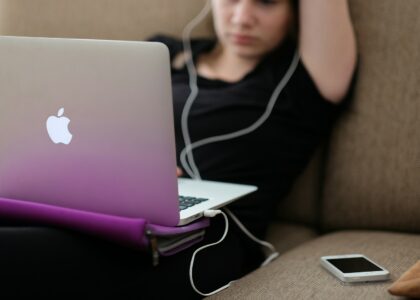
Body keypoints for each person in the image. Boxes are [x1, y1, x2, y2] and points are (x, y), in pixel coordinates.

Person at [0, 0, 357, 299]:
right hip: (114, 205)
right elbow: (94, 128)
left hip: (206, 235)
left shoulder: (305, 79)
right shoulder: (162, 54)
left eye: (266, 1)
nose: (242, 16)